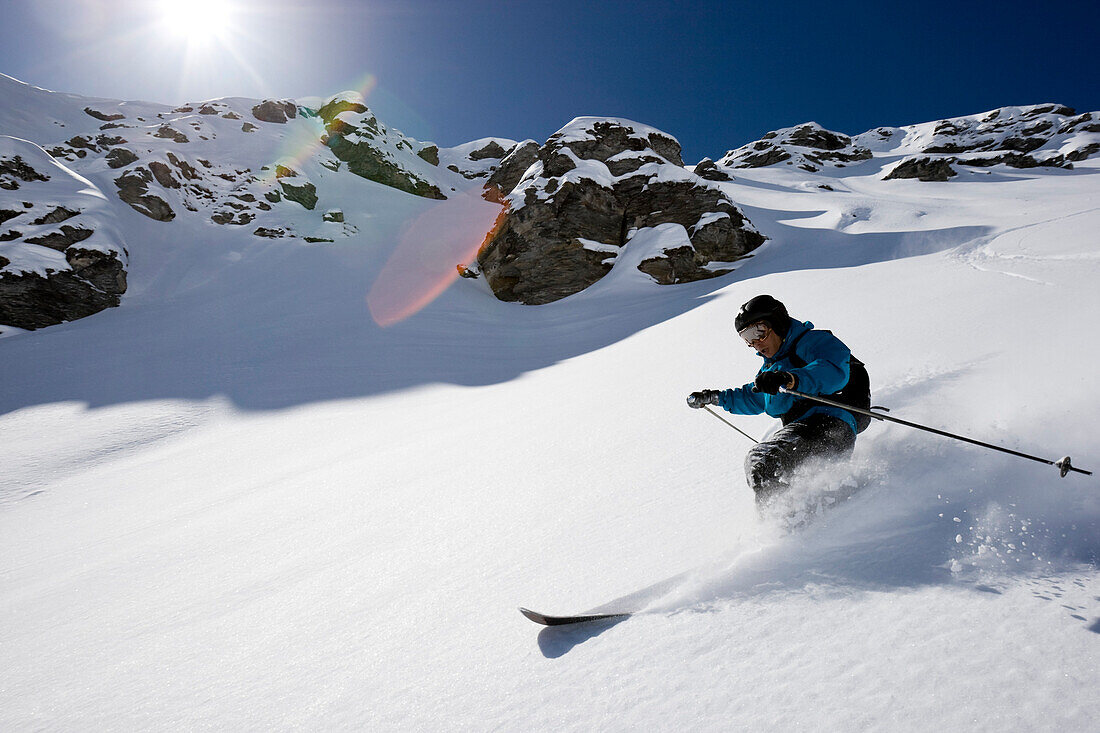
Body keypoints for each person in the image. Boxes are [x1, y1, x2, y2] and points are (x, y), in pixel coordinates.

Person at [687, 295, 861, 506]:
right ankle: (807, 518)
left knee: (764, 461)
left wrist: (791, 379)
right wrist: (716, 397)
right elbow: (754, 397)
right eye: (747, 338)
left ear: (777, 323)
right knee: (764, 466)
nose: (755, 343)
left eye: (757, 332)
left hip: (830, 424)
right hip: (806, 433)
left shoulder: (813, 342)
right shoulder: (772, 369)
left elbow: (833, 370)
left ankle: (784, 524)